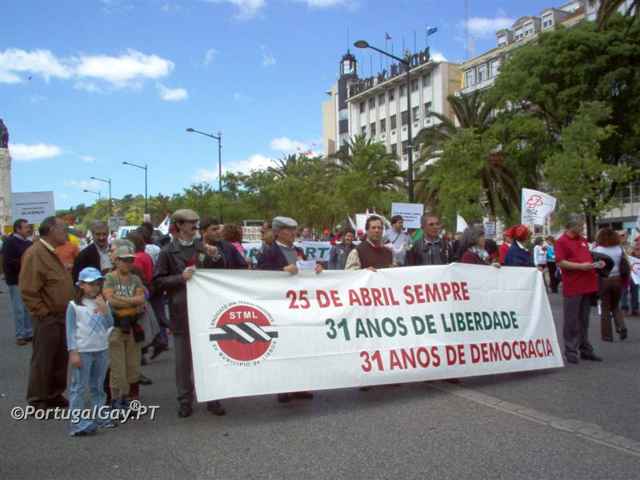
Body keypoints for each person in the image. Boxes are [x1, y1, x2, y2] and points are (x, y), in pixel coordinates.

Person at [153, 209, 228, 417]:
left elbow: (220, 273)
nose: (195, 225)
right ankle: (185, 400)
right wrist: (180, 278)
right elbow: (157, 283)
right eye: (190, 222)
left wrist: (216, 256)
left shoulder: (202, 247)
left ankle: (213, 398)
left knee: (210, 358)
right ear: (179, 225)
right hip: (181, 311)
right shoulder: (167, 251)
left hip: (206, 311)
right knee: (183, 362)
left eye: (196, 221)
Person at [257, 216, 321, 403]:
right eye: (288, 230)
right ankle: (283, 387)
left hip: (299, 305)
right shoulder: (268, 252)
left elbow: (306, 271)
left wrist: (316, 268)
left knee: (300, 347)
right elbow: (259, 276)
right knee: (283, 349)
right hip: (280, 306)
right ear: (278, 232)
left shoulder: (299, 251)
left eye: (294, 230)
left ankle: (299, 385)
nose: (293, 233)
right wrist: (282, 271)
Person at [19, 216, 75, 410]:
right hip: (48, 316)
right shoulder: (36, 253)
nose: (66, 232)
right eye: (63, 228)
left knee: (59, 358)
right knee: (44, 359)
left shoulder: (49, 252)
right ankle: (38, 399)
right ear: (51, 230)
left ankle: (54, 394)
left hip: (60, 315)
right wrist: (43, 312)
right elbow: (28, 289)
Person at [66, 267, 115, 436]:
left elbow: (110, 324)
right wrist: (73, 352)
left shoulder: (102, 303)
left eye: (97, 284)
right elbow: (70, 330)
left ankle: (100, 415)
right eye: (90, 284)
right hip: (83, 351)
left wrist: (105, 310)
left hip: (101, 349)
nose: (94, 287)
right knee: (79, 387)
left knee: (98, 385)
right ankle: (77, 423)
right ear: (81, 285)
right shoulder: (74, 305)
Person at [555, 215, 604, 364]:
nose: (582, 228)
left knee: (584, 319)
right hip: (573, 285)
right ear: (571, 226)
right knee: (571, 320)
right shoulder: (562, 241)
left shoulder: (582, 240)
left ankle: (585, 348)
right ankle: (570, 350)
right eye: (580, 226)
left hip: (586, 284)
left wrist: (596, 263)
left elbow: (586, 257)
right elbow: (560, 262)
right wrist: (581, 266)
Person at [102, 244, 146, 409]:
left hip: (133, 326)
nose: (128, 263)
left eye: (130, 260)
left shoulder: (135, 279)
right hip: (116, 326)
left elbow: (141, 300)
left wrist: (121, 299)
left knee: (133, 365)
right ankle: (116, 400)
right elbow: (110, 300)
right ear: (116, 261)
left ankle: (129, 398)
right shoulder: (110, 278)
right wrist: (132, 302)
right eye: (124, 260)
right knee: (117, 366)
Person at [592, 228, 627, 341]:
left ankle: (607, 335)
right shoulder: (619, 249)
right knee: (615, 305)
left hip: (604, 280)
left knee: (605, 307)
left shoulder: (597, 250)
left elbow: (594, 265)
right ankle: (621, 326)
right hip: (618, 279)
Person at [3, 219, 34, 345]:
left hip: (28, 280)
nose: (28, 229)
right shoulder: (10, 242)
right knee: (19, 309)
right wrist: (25, 264)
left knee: (27, 308)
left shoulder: (28, 243)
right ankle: (20, 335)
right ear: (18, 229)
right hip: (16, 280)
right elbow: (8, 262)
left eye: (28, 227)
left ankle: (28, 333)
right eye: (26, 227)